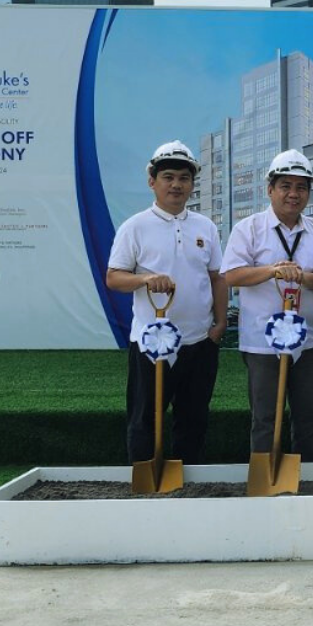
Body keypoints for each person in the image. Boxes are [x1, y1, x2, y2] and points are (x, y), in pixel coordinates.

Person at [105, 140, 226, 465]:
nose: (176, 184)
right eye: (168, 176)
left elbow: (217, 277)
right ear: (152, 181)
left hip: (199, 341)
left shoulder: (206, 227)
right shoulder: (135, 227)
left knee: (194, 418)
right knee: (145, 417)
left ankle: (189, 486)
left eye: (184, 178)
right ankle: (146, 486)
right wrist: (145, 279)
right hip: (151, 342)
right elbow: (114, 278)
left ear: (191, 184)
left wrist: (219, 324)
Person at [222, 149, 313, 462]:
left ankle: (310, 478)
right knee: (265, 417)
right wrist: (273, 270)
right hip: (262, 342)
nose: (293, 194)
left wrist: (302, 277)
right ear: (269, 189)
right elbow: (232, 274)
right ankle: (265, 478)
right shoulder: (248, 228)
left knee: (312, 415)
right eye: (285, 185)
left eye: (302, 187)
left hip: (309, 340)